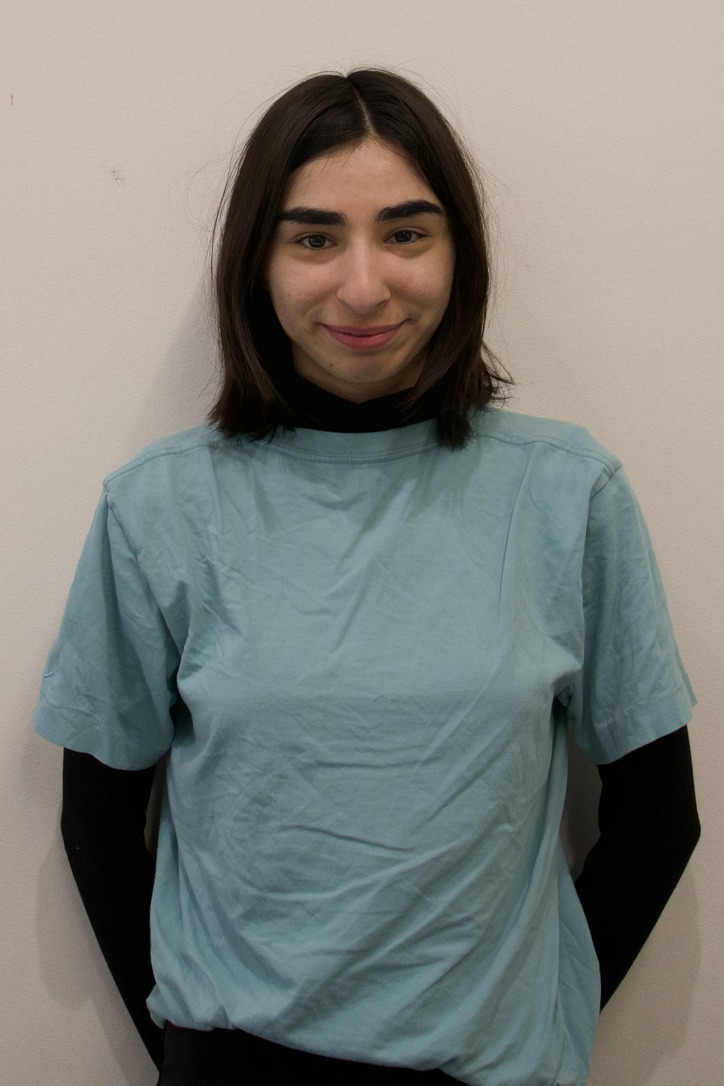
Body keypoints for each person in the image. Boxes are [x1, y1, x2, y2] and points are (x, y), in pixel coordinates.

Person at [35, 70, 700, 1086]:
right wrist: (189, 1045)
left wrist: (546, 1019)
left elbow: (660, 817)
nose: (361, 286)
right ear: (256, 260)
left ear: (458, 252)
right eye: (311, 238)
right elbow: (98, 815)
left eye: (404, 232)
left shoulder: (566, 495)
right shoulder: (158, 508)